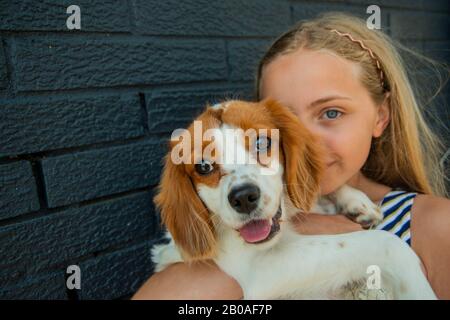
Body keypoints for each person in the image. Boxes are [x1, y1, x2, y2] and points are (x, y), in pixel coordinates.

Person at [132, 13, 450, 300]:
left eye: (331, 112)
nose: (302, 137)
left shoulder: (433, 227)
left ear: (381, 115)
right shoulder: (224, 236)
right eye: (286, 119)